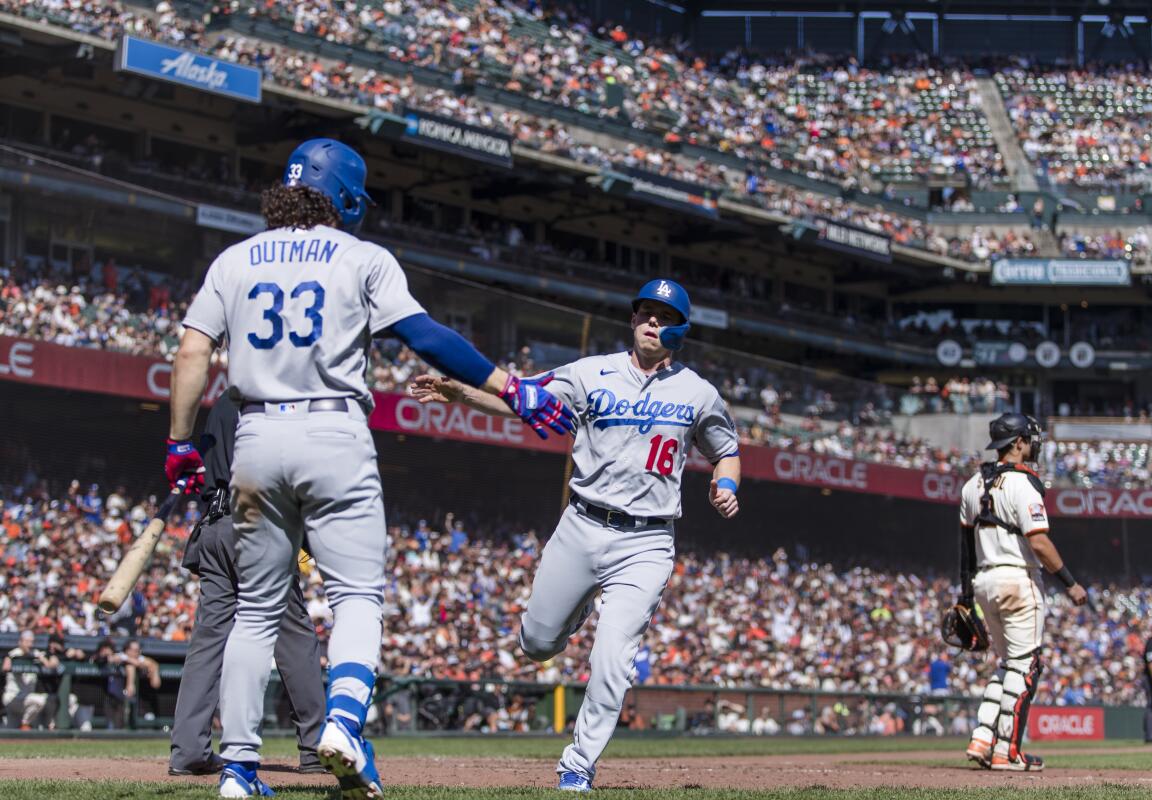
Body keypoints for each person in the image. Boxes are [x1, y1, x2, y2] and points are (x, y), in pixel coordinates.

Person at [166, 138, 571, 799]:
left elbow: (191, 353)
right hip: (332, 430)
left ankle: (239, 772)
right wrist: (511, 387)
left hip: (257, 435)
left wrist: (180, 443)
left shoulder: (234, 259)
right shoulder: (361, 257)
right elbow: (427, 338)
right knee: (356, 596)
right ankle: (345, 723)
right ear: (348, 199)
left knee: (256, 612)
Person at [410, 278, 741, 791]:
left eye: (663, 315)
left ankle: (577, 764)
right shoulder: (591, 372)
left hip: (646, 542)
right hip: (582, 524)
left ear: (680, 328)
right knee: (538, 644)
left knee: (614, 656)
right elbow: (521, 398)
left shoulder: (699, 392)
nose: (652, 321)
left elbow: (726, 450)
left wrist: (724, 483)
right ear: (633, 321)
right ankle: (578, 604)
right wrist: (459, 392)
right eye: (645, 312)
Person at [168, 390, 326, 777]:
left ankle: (188, 751)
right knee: (293, 637)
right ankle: (317, 748)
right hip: (261, 524)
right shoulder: (280, 398)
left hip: (216, 527)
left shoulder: (224, 401)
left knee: (208, 641)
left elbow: (206, 475)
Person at [958, 412, 1088, 772]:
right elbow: (1040, 543)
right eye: (1030, 438)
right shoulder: (1023, 484)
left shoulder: (972, 484)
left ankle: (983, 739)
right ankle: (1007, 752)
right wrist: (1070, 582)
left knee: (1008, 664)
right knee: (1027, 665)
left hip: (984, 582)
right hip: (1018, 579)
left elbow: (966, 549)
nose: (1033, 443)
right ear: (1017, 443)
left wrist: (965, 597)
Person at [2, 631, 52, 730]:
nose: (30, 644)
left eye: (32, 641)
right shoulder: (13, 654)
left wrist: (41, 658)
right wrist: (8, 659)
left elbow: (49, 666)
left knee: (12, 733)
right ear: (20, 642)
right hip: (13, 697)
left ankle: (25, 723)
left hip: (27, 699)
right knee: (40, 700)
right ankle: (25, 723)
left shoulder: (35, 653)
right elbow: (5, 667)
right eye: (27, 641)